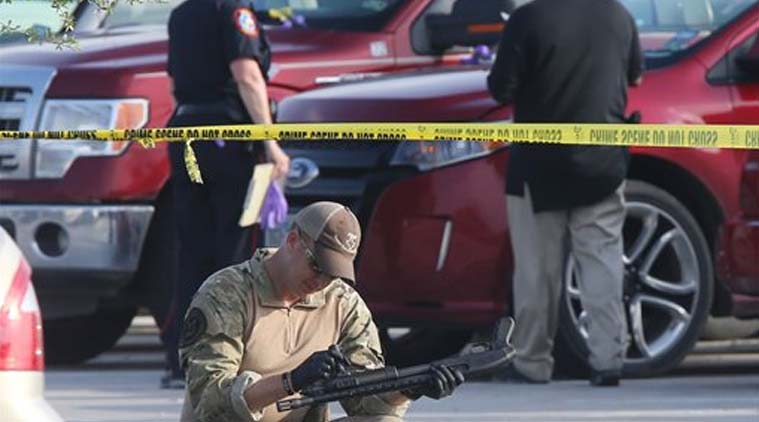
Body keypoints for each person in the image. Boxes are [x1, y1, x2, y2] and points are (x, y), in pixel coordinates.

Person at [178, 201, 465, 421]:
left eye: (333, 273)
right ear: (292, 241)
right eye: (317, 265)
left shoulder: (342, 303)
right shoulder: (227, 293)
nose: (322, 281)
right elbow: (210, 402)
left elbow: (365, 400)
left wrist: (410, 388)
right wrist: (292, 381)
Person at [486, 0, 644, 386]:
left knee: (538, 272)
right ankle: (608, 360)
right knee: (602, 262)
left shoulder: (528, 18)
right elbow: (635, 76)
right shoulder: (618, 15)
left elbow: (499, 88)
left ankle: (531, 362)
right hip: (602, 165)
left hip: (538, 168)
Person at [161, 0, 291, 388]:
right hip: (230, 140)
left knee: (192, 251)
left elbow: (174, 83)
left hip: (186, 135)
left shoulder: (181, 14)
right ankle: (228, 354)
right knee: (236, 252)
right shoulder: (233, 10)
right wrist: (271, 143)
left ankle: (182, 357)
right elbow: (247, 75)